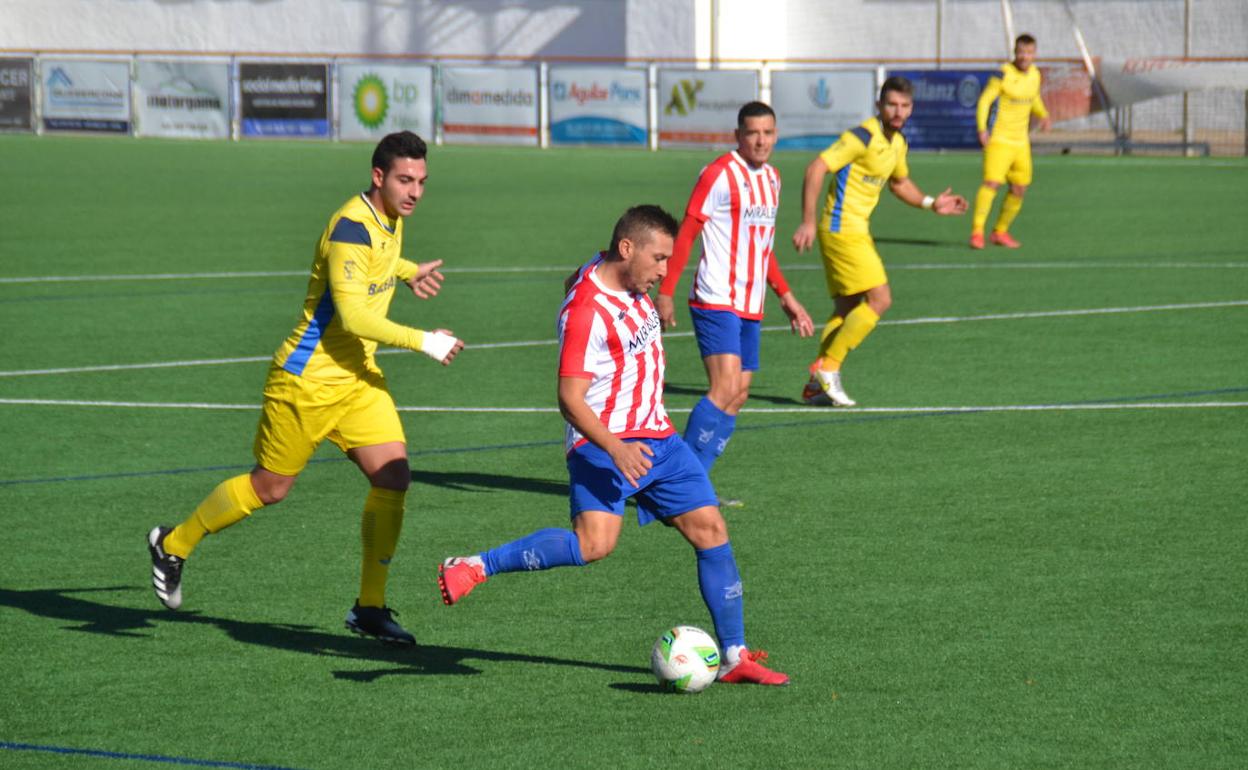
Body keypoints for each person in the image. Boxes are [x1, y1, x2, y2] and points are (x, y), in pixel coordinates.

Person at [438, 205, 789, 686]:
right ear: (627, 249)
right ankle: (477, 566)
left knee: (711, 530)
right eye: (659, 259)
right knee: (593, 545)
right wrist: (617, 447)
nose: (665, 271)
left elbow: (575, 275)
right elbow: (569, 398)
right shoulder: (587, 313)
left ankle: (734, 655)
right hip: (603, 445)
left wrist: (654, 298)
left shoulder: (603, 267)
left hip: (660, 437)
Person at [147, 131, 464, 646]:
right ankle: (174, 543)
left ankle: (370, 607)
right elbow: (357, 314)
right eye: (405, 180)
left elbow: (377, 263)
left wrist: (407, 271)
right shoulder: (349, 227)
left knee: (394, 478)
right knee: (270, 488)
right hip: (306, 380)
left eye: (422, 181)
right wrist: (423, 340)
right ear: (378, 176)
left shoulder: (390, 218)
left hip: (357, 380)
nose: (415, 192)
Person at [655, 101, 813, 478]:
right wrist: (666, 291)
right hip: (716, 296)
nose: (761, 141)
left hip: (750, 303)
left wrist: (786, 296)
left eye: (768, 133)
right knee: (724, 388)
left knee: (739, 394)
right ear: (738, 136)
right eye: (753, 133)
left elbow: (763, 246)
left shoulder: (773, 179)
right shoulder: (719, 173)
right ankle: (677, 482)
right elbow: (688, 231)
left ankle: (697, 483)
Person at [793, 76, 968, 407]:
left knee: (847, 309)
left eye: (904, 106)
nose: (898, 111)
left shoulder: (898, 143)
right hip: (841, 228)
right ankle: (828, 368)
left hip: (856, 229)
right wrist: (807, 221)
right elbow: (816, 168)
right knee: (880, 299)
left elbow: (900, 183)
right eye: (891, 105)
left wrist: (932, 203)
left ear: (911, 108)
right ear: (879, 105)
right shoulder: (861, 136)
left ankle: (815, 386)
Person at [969, 33, 1052, 249]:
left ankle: (1000, 231)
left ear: (1035, 54)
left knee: (1019, 188)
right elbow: (985, 101)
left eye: (1029, 52)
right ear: (1015, 52)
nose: (1025, 57)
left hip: (1021, 142)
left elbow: (1034, 97)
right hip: (1000, 139)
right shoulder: (1002, 74)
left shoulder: (1035, 74)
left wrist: (1043, 114)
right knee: (992, 184)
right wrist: (981, 129)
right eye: (1021, 52)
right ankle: (977, 232)